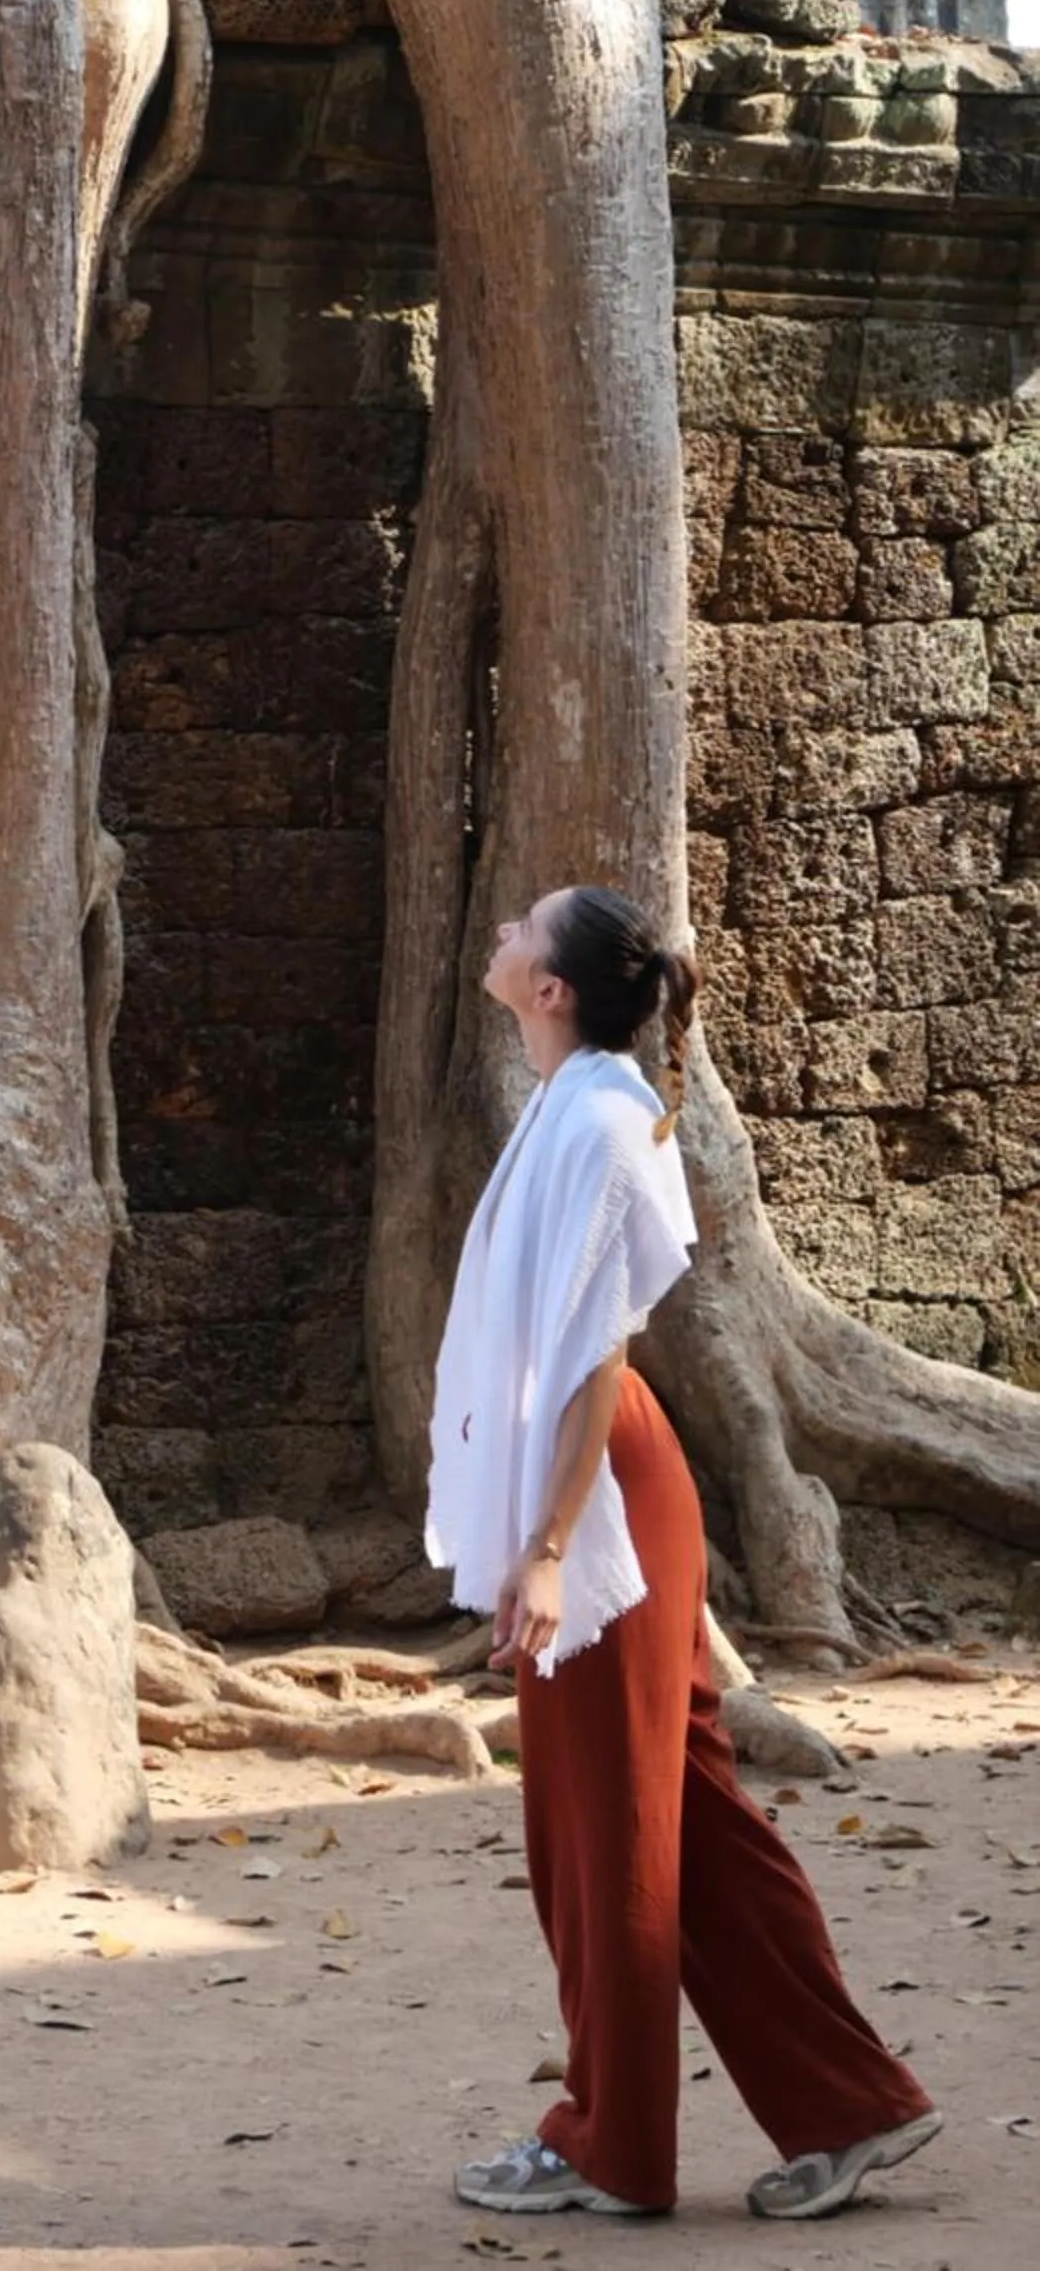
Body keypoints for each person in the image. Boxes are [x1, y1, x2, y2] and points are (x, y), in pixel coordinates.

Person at [427, 885, 942, 2223]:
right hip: (587, 1481)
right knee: (678, 1825)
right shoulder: (571, 1102)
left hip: (598, 1493)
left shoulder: (601, 1124)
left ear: (551, 986)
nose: (498, 936)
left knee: (606, 1834)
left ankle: (612, 2144)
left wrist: (545, 1550)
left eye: (519, 929)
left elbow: (597, 1354)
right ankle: (854, 2104)